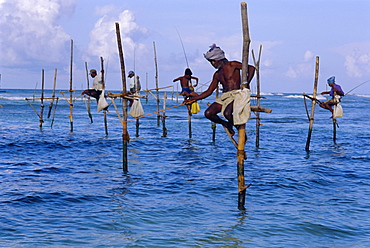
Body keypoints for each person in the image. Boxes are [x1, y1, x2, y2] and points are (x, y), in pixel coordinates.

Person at [184, 44, 255, 136]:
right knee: (209, 113)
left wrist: (246, 83)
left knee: (227, 113)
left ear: (220, 59)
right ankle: (226, 124)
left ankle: (241, 133)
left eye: (214, 61)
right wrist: (193, 99)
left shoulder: (232, 65)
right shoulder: (217, 74)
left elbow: (251, 68)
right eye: (211, 62)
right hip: (225, 96)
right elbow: (209, 91)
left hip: (237, 94)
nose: (213, 64)